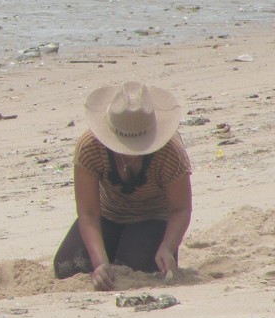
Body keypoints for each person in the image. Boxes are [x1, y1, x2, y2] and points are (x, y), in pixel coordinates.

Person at [53, 81, 192, 291]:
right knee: (68, 266)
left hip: (153, 217)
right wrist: (99, 262)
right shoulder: (90, 147)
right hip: (108, 214)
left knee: (138, 266)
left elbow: (180, 209)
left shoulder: (169, 153)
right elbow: (88, 213)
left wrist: (167, 247)